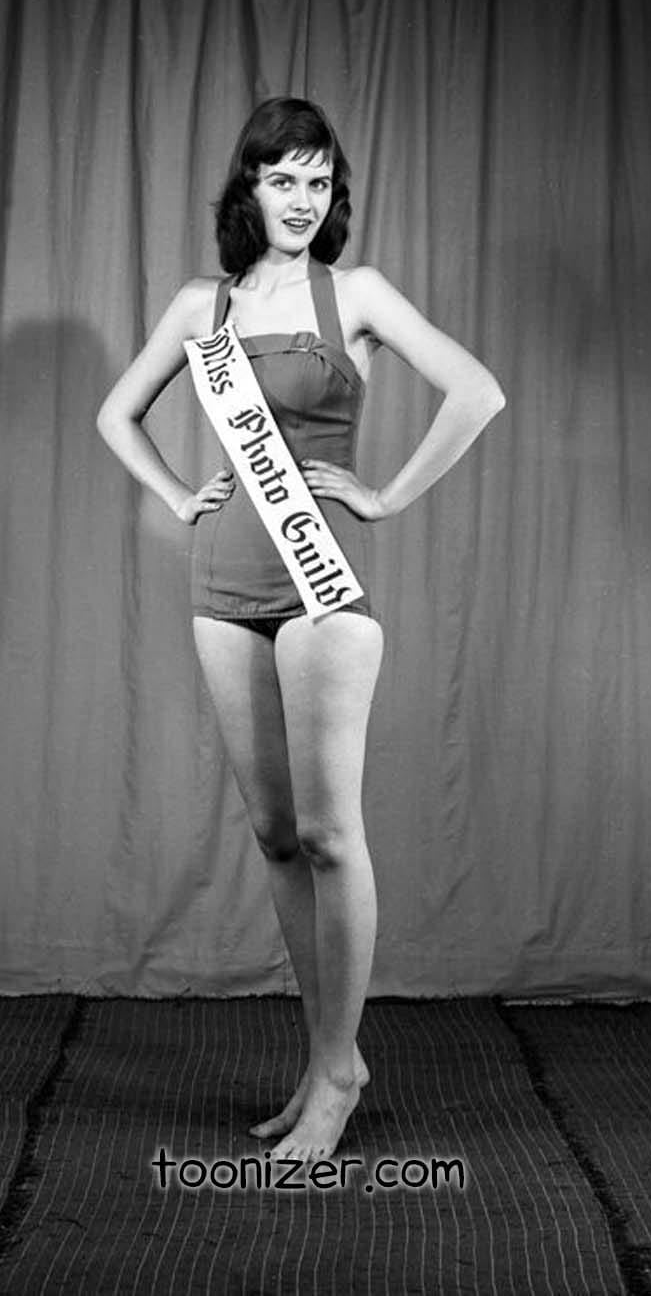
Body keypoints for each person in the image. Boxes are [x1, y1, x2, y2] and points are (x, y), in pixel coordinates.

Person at [97, 97, 505, 1163]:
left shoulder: (354, 293)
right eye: (283, 178)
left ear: (334, 196)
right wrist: (179, 493)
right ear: (249, 189)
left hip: (322, 587)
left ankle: (337, 1072)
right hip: (222, 582)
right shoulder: (204, 307)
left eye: (319, 181)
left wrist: (386, 495)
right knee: (275, 838)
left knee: (330, 834)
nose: (301, 199)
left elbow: (477, 390)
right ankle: (327, 1057)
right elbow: (116, 413)